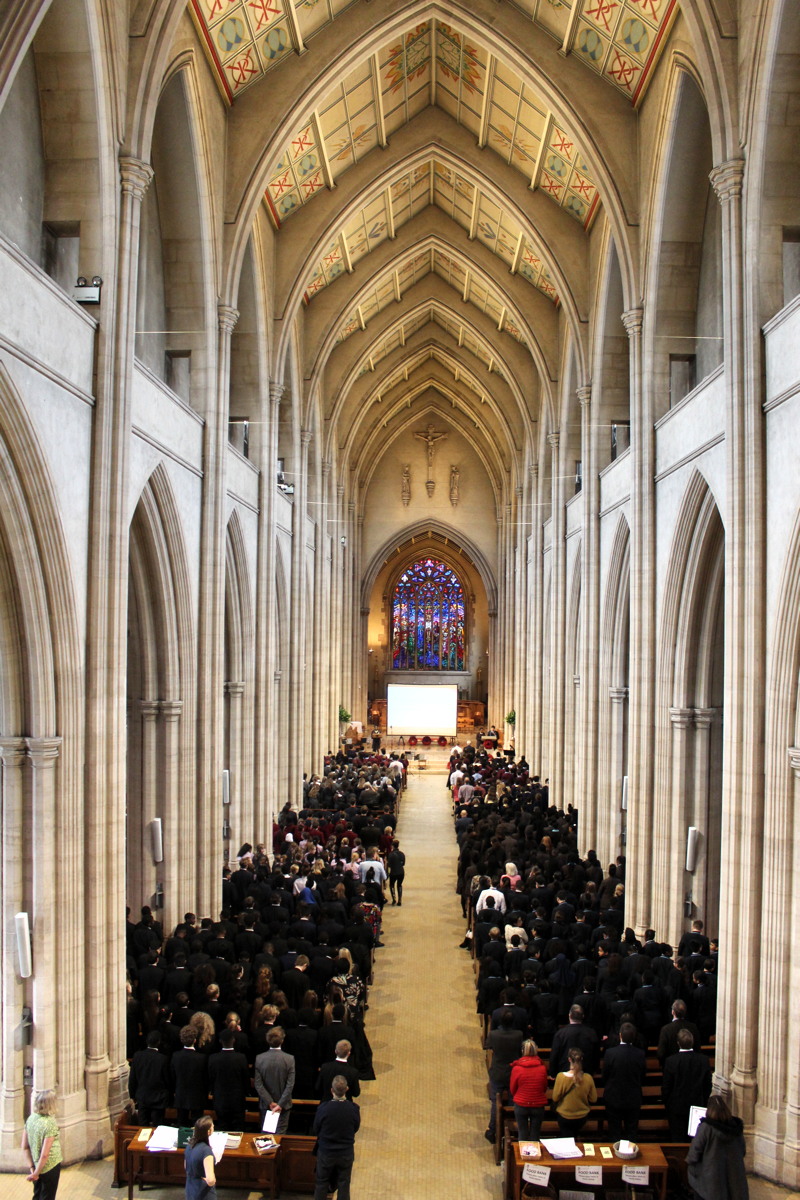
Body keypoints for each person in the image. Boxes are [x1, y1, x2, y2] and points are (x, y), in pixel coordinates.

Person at [686, 1094, 749, 1199]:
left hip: (710, 1178)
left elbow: (694, 1153)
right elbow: (742, 1151)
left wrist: (691, 1167)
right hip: (734, 1176)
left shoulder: (706, 1128)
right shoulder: (736, 1129)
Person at [312, 1075, 361, 1200]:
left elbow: (316, 1129)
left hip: (326, 1152)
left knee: (322, 1183)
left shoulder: (323, 1108)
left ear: (332, 1090)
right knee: (344, 1184)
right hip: (345, 1153)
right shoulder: (353, 1109)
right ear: (347, 1089)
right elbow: (355, 1127)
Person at [601, 1021, 647, 1142]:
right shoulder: (640, 1054)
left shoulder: (610, 1053)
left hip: (613, 1097)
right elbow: (642, 1076)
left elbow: (605, 1075)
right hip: (633, 1098)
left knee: (614, 1132)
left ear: (620, 1035)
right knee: (631, 1132)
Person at [22, 1089, 62, 1200]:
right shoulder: (50, 1123)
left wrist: (33, 1169)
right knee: (47, 1197)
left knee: (37, 1195)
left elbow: (24, 1146)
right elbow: (45, 1154)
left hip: (35, 1165)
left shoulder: (31, 1118)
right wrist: (36, 1173)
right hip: (50, 1166)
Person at [508, 1039, 548, 1142]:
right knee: (535, 1134)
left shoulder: (517, 1069)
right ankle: (534, 1156)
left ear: (522, 1051)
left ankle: (523, 1156)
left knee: (522, 1133)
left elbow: (513, 1089)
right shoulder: (542, 1068)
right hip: (538, 1105)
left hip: (521, 1104)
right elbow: (544, 1087)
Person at [551, 1047, 597, 1136]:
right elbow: (593, 1099)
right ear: (582, 1059)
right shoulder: (588, 1078)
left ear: (569, 1059)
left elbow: (555, 1098)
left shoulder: (561, 1077)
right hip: (582, 1116)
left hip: (565, 1115)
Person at [184, 1114, 217, 1200]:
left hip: (190, 1187)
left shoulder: (190, 1145)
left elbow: (185, 1166)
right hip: (203, 1192)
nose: (214, 1126)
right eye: (212, 1126)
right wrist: (210, 1180)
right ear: (208, 1131)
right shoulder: (206, 1151)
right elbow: (210, 1180)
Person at [387, 838, 406, 905]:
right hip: (401, 872)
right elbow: (403, 863)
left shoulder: (391, 854)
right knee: (399, 885)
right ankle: (400, 899)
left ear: (392, 846)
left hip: (393, 872)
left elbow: (389, 865)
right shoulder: (402, 854)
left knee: (392, 885)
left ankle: (394, 899)